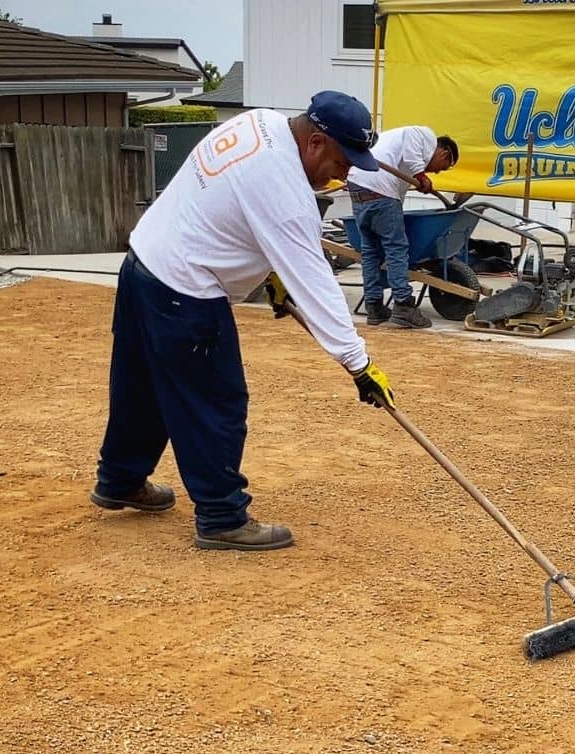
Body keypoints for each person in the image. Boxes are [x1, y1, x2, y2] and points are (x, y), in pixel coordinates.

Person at [90, 91, 397, 552]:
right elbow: (317, 285)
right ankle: (220, 515)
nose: (344, 174)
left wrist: (269, 273)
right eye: (340, 161)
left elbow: (232, 207)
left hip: (144, 266)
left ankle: (120, 480)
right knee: (216, 402)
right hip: (185, 289)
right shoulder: (286, 191)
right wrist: (359, 364)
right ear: (315, 143)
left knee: (143, 388)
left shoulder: (260, 122)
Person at [343, 128, 460, 329]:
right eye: (442, 167)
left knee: (370, 251)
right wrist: (422, 176)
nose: (437, 172)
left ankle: (374, 307)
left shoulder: (394, 149)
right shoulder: (423, 135)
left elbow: (398, 194)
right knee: (396, 248)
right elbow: (411, 143)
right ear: (444, 153)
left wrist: (419, 178)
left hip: (358, 186)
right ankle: (404, 306)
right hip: (379, 188)